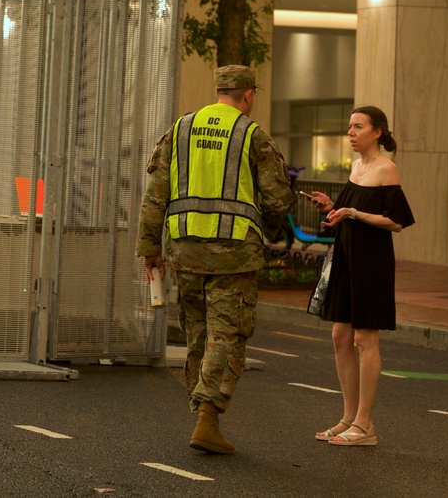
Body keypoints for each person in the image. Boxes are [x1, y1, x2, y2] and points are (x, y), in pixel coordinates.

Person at [136, 65, 294, 455]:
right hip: (234, 254)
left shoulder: (181, 128)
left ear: (219, 90)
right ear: (249, 94)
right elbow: (277, 199)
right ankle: (208, 417)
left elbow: (155, 192)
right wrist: (267, 231)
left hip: (184, 251)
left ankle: (202, 412)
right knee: (226, 333)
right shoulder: (252, 135)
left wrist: (150, 249)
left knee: (197, 332)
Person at [303, 106, 415, 447]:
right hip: (347, 258)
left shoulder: (386, 168)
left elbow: (396, 221)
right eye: (349, 126)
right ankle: (348, 417)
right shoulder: (356, 167)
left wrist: (352, 211)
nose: (351, 132)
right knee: (340, 336)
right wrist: (333, 206)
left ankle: (365, 425)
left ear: (376, 132)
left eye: (358, 126)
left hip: (371, 262)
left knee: (366, 339)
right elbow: (353, 211)